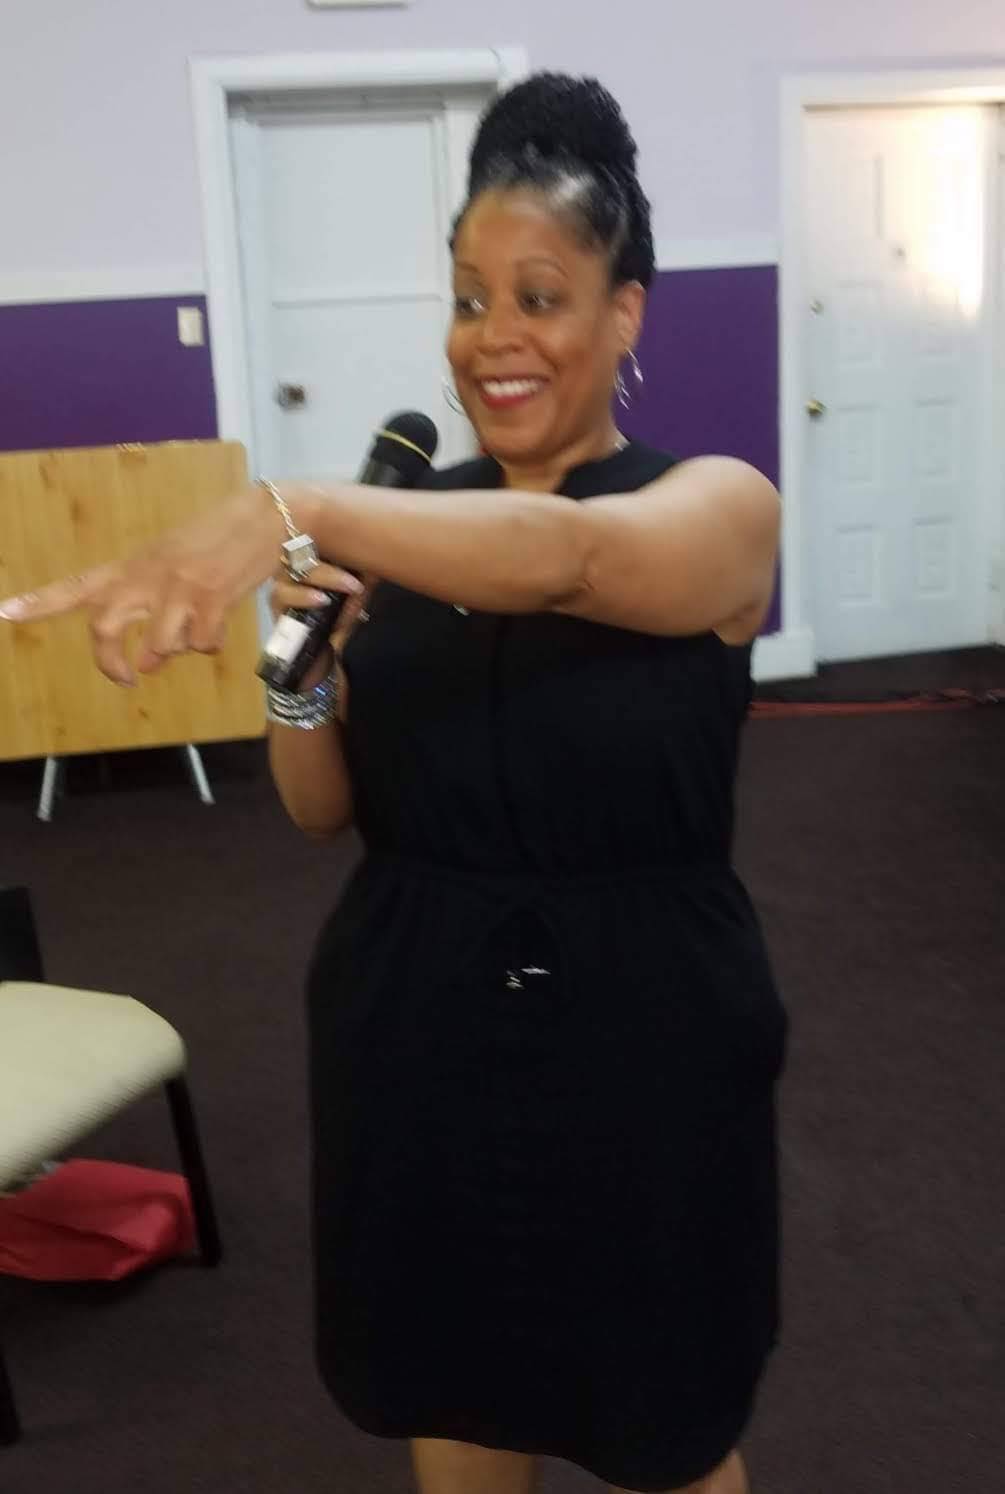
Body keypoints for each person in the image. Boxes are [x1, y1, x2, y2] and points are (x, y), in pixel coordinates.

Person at [0, 73, 786, 1494]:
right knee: (458, 1386)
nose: (494, 335)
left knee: (663, 1414)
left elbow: (575, 562)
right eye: (470, 297)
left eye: (540, 296)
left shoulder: (717, 506)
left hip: (645, 1032)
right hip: (418, 1018)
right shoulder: (403, 529)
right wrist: (300, 662)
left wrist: (298, 506)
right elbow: (320, 808)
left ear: (625, 312)